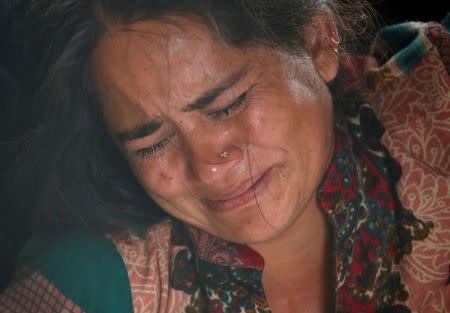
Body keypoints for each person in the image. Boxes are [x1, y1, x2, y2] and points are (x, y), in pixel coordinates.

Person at [0, 1, 448, 312]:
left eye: (226, 105)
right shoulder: (89, 284)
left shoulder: (434, 105)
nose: (206, 164)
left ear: (317, 42)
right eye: (151, 142)